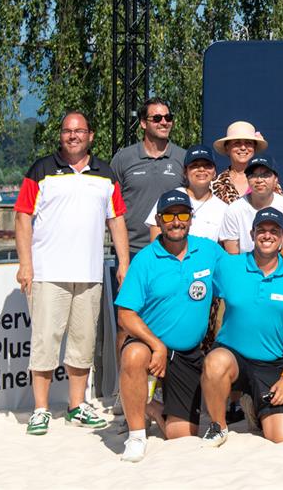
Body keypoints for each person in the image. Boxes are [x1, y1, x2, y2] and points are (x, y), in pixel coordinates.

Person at [14, 111, 130, 435]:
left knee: (83, 344)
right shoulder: (41, 170)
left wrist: (124, 263)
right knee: (44, 343)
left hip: (90, 274)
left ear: (91, 135)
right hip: (47, 273)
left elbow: (117, 219)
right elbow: (22, 217)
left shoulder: (106, 174)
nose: (73, 135)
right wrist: (25, 264)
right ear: (61, 135)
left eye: (79, 131)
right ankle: (40, 409)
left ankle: (76, 406)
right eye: (67, 130)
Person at [114, 190, 224, 462]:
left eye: (183, 215)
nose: (176, 222)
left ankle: (151, 407)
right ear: (159, 221)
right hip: (150, 346)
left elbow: (240, 273)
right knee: (133, 354)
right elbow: (125, 315)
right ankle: (136, 436)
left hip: (187, 353)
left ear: (191, 219)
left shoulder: (208, 251)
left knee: (181, 435)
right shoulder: (145, 259)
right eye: (169, 216)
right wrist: (157, 345)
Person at [201, 207, 283, 446]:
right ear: (252, 234)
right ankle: (218, 426)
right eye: (261, 230)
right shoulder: (228, 265)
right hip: (233, 356)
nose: (267, 235)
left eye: (274, 231)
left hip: (271, 364)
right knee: (215, 362)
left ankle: (253, 406)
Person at [110, 97, 185, 256]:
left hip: (173, 249)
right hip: (131, 250)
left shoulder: (183, 158)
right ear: (143, 123)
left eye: (168, 117)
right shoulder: (123, 158)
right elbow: (111, 205)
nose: (164, 122)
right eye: (157, 118)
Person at [218, 156, 283, 259]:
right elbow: (233, 257)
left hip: (277, 265)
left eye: (265, 175)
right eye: (253, 175)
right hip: (244, 266)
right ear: (247, 179)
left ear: (275, 179)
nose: (259, 180)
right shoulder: (234, 210)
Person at [145, 144, 228, 243]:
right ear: (185, 172)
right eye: (195, 165)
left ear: (214, 172)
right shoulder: (168, 198)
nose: (201, 169)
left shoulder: (223, 209)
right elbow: (156, 241)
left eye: (207, 165)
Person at [209, 121, 280, 204]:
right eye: (237, 143)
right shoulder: (215, 184)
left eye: (248, 143)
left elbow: (280, 206)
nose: (243, 147)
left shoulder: (269, 181)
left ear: (254, 148)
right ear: (227, 148)